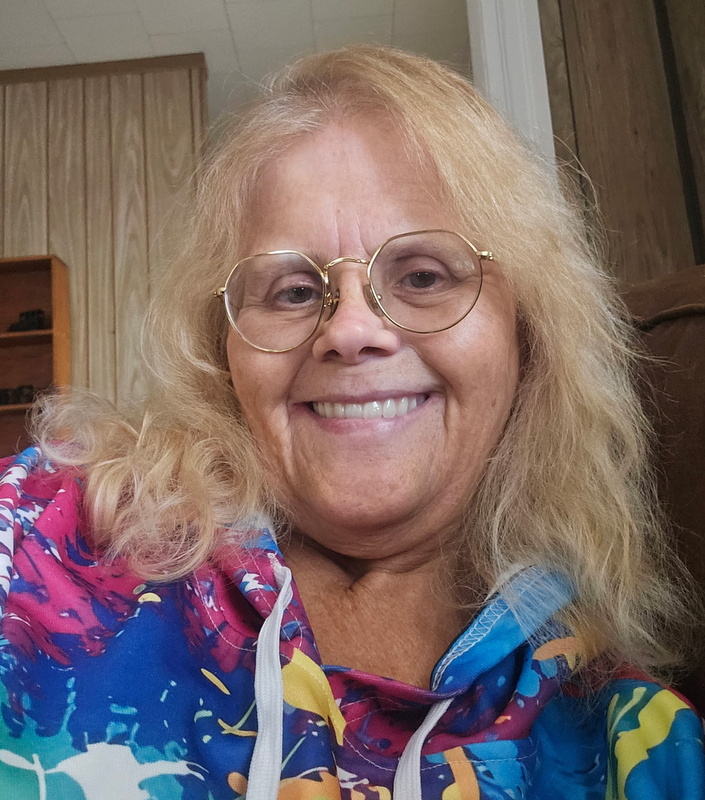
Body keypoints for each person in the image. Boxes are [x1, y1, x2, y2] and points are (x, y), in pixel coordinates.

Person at [0, 45, 702, 800]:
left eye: (423, 276)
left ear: (526, 332)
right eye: (294, 291)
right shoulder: (43, 544)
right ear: (224, 355)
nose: (350, 331)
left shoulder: (636, 745)